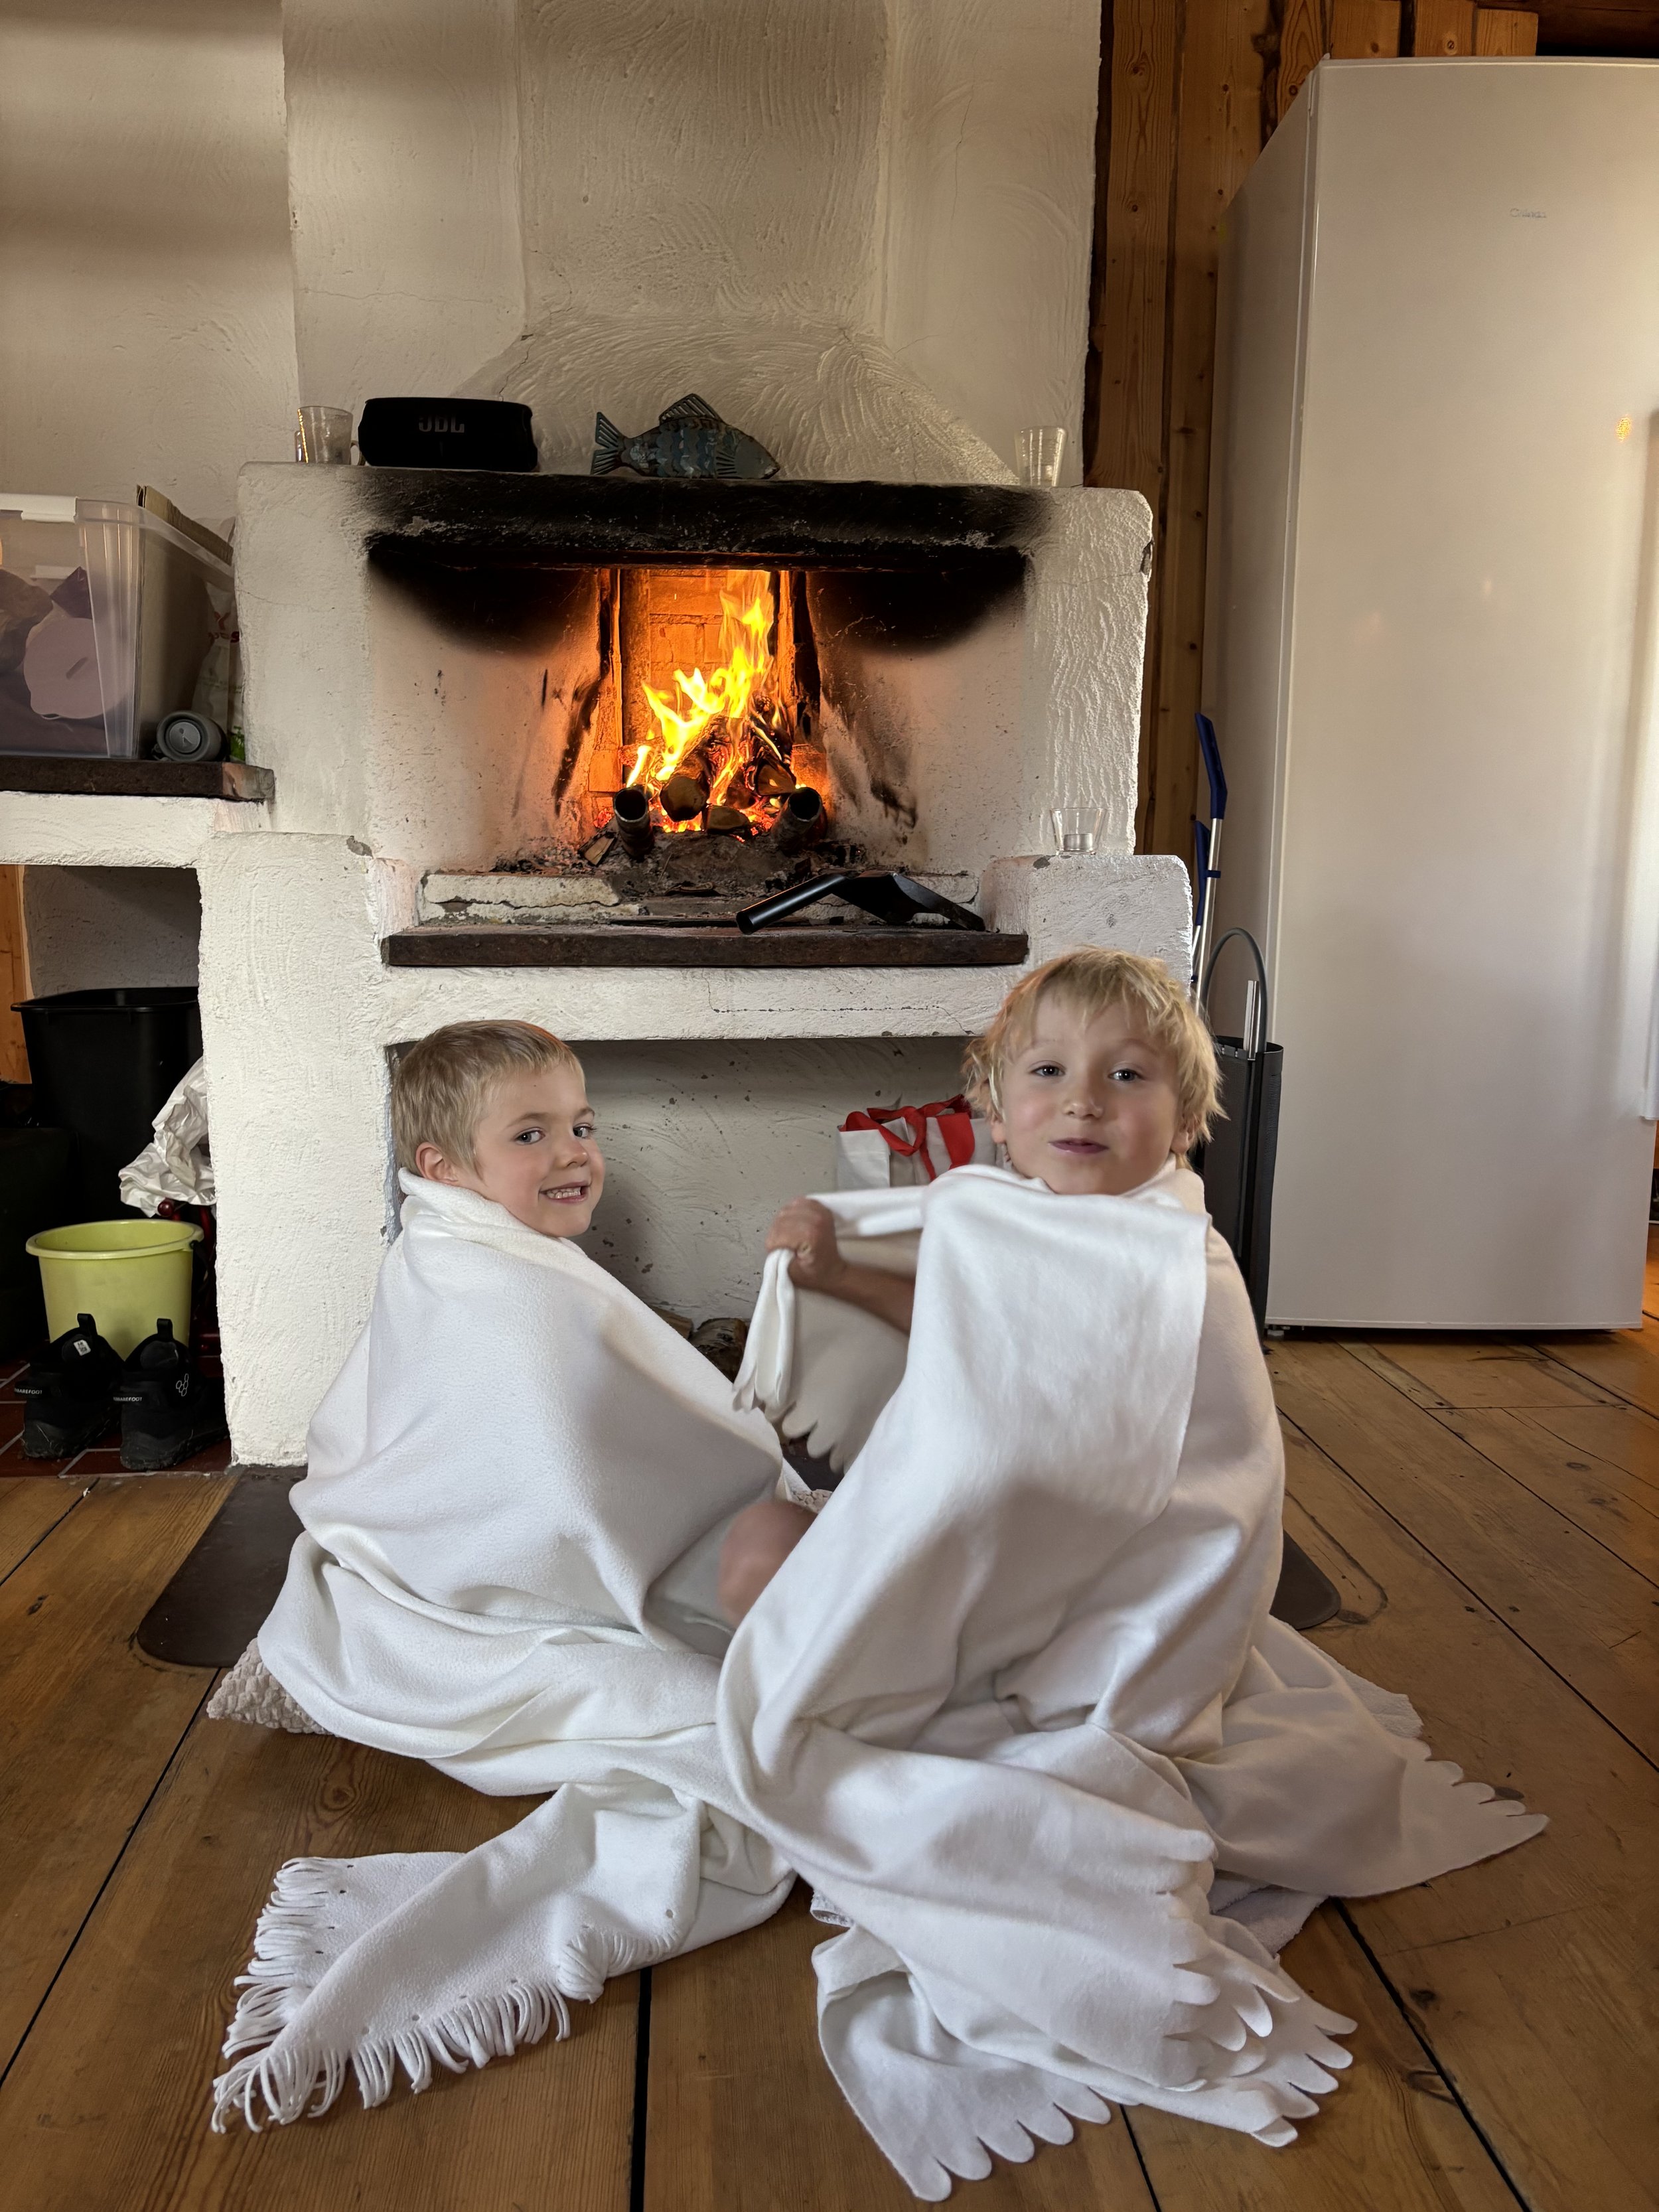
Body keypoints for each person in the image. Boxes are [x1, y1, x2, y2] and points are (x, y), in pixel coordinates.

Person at [717, 948, 1215, 1617]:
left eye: (1126, 1074)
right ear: (998, 1116)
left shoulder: (1170, 1251)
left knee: (769, 1556)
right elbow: (968, 1328)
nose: (1084, 1100)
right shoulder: (993, 1216)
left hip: (1087, 1575)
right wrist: (836, 1273)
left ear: (1185, 1119)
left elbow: (1122, 1431)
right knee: (759, 1545)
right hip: (968, 1537)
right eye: (1048, 1070)